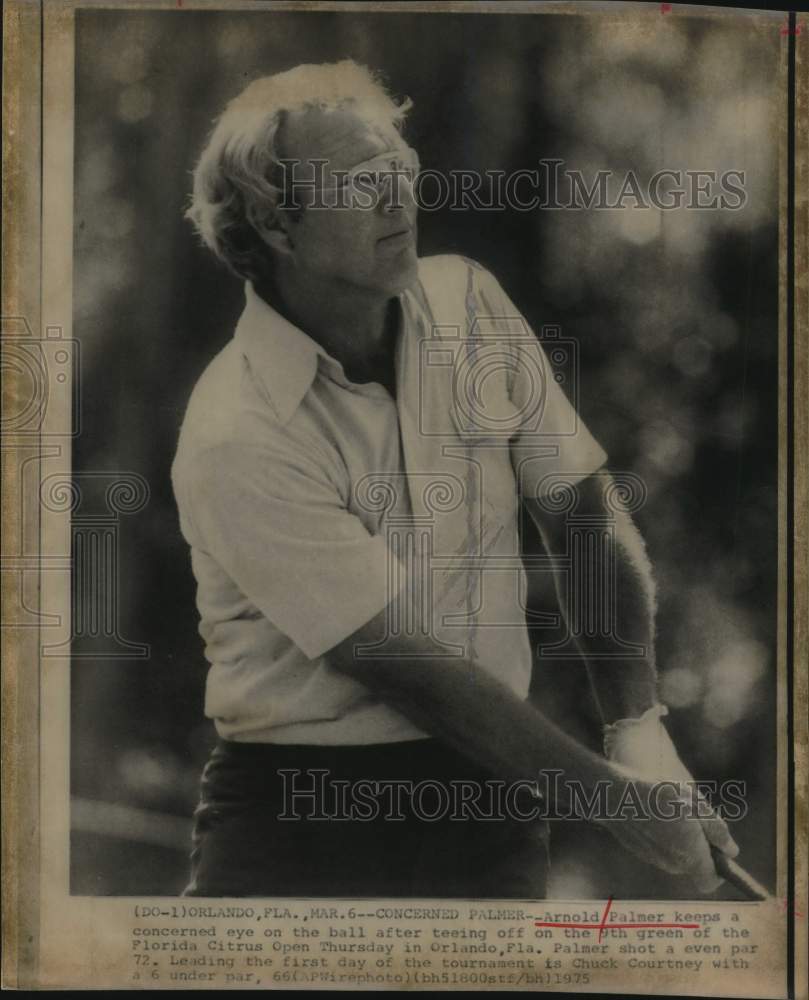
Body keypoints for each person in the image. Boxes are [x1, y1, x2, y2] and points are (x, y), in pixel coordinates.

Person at [172, 60, 738, 898]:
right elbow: (412, 671)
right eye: (363, 182)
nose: (398, 197)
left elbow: (578, 510)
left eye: (399, 169)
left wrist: (637, 727)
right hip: (300, 823)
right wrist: (620, 805)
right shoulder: (235, 427)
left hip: (492, 811)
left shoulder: (470, 303)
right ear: (277, 225)